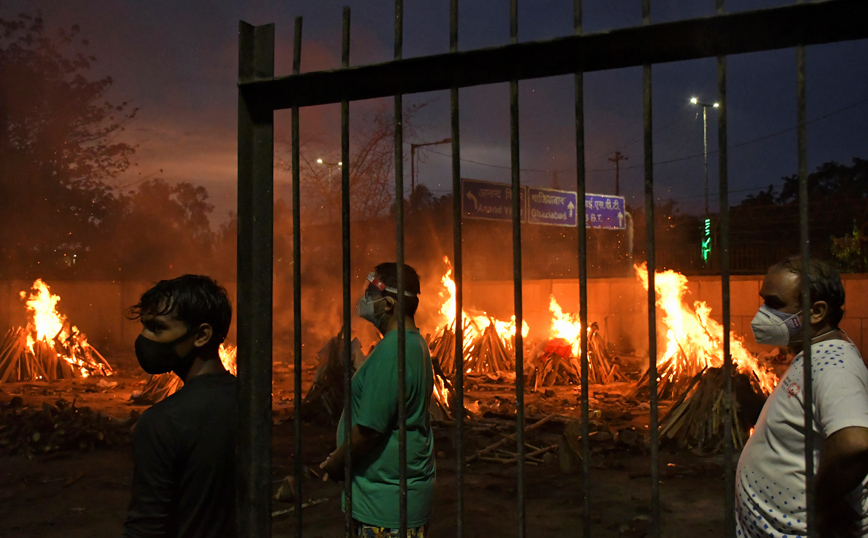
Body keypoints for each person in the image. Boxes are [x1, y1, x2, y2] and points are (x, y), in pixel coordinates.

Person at [736, 256, 868, 537]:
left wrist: (821, 510)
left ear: (817, 311)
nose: (762, 313)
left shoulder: (834, 364)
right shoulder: (812, 354)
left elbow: (854, 443)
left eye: (774, 303)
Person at [320, 262, 435, 537]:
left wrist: (338, 462)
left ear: (389, 304)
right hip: (399, 498)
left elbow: (369, 430)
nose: (364, 302)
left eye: (370, 295)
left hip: (385, 508)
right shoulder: (414, 344)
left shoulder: (393, 352)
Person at [123, 274, 237, 538]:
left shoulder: (162, 423)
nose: (144, 338)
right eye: (144, 327)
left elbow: (146, 527)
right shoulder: (250, 403)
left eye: (157, 328)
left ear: (201, 335)